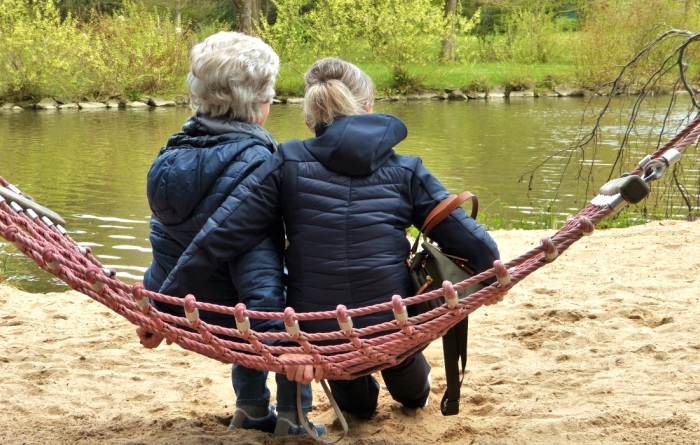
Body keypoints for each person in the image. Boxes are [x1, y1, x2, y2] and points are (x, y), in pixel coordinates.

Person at [160, 57, 501, 418]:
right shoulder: (407, 170)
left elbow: (221, 236)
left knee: (357, 407)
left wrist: (163, 305)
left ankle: (364, 388)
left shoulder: (285, 161)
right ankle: (408, 380)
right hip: (394, 322)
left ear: (310, 118)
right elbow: (475, 245)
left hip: (322, 335)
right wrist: (493, 277)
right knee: (409, 382)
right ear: (369, 107)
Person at [137, 31, 325, 437]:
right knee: (298, 293)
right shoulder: (260, 162)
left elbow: (167, 240)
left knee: (245, 299)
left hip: (188, 304)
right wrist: (281, 345)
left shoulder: (171, 153)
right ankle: (294, 418)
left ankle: (251, 409)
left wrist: (157, 305)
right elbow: (259, 269)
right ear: (260, 103)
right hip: (238, 311)